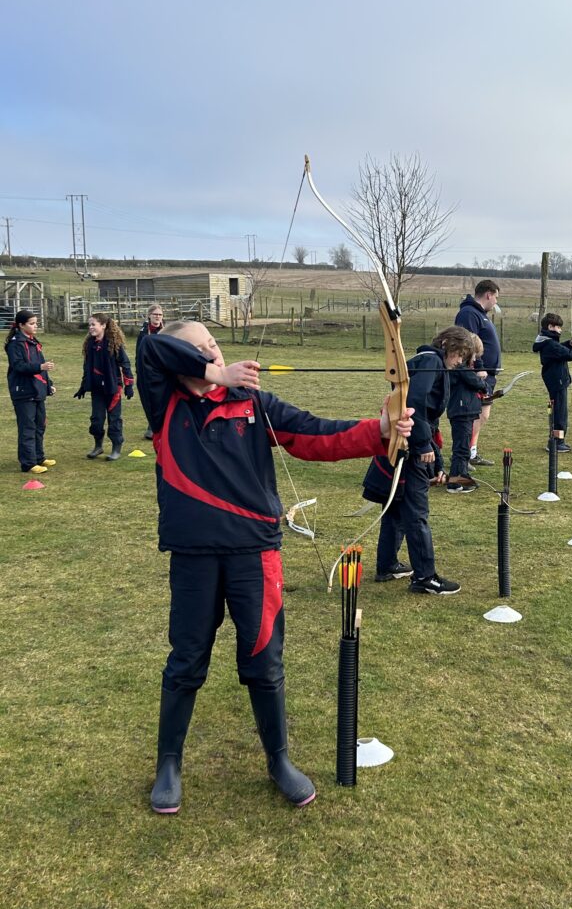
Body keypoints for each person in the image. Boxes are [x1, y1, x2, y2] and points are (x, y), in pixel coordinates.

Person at [137, 320, 414, 813]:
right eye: (201, 350)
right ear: (182, 362)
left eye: (215, 344)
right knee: (186, 662)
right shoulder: (164, 402)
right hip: (194, 554)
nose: (215, 354)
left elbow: (313, 435)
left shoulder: (254, 405)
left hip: (254, 553)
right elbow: (153, 348)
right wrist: (217, 376)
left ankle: (279, 760)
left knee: (264, 660)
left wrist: (381, 431)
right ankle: (169, 764)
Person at [364, 325, 476, 595]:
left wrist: (437, 462)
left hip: (409, 443)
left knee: (397, 506)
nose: (460, 361)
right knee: (416, 513)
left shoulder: (432, 362)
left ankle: (387, 564)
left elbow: (426, 414)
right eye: (460, 354)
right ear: (447, 344)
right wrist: (423, 443)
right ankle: (425, 577)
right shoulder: (431, 360)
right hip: (410, 445)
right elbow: (414, 403)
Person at [74, 313, 135, 461]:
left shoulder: (113, 344)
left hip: (112, 388)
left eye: (93, 324)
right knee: (96, 420)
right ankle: (98, 446)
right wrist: (83, 386)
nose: (90, 328)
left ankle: (116, 448)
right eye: (89, 325)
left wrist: (129, 385)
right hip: (96, 389)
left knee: (114, 420)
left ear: (103, 325)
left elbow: (125, 364)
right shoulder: (90, 345)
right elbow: (87, 367)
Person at [454, 279, 501, 467]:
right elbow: (469, 343)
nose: (496, 302)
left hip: (487, 375)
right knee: (475, 415)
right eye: (496, 297)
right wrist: (479, 367)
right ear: (488, 294)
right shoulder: (468, 314)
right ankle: (464, 455)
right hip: (478, 375)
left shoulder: (480, 314)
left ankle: (471, 452)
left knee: (483, 415)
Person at [532, 312, 572, 452]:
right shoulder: (549, 344)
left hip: (556, 379)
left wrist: (568, 343)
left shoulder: (547, 341)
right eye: (558, 327)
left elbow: (560, 350)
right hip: (557, 381)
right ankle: (557, 442)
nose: (560, 330)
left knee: (559, 410)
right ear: (550, 327)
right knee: (560, 412)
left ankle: (556, 440)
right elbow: (569, 355)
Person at [5, 309, 56, 474]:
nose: (35, 326)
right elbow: (18, 366)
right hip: (23, 391)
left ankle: (39, 457)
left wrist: (49, 385)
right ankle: (28, 463)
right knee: (27, 427)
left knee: (40, 425)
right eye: (32, 324)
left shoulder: (34, 342)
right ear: (21, 325)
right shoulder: (15, 344)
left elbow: (42, 366)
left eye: (36, 323)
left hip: (37, 390)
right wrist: (40, 367)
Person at [445, 334, 487, 493]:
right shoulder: (461, 369)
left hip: (466, 411)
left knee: (463, 447)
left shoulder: (464, 368)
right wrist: (482, 382)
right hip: (461, 411)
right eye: (475, 355)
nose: (476, 359)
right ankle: (455, 482)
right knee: (461, 448)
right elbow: (475, 382)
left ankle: (462, 475)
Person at [136, 304, 164, 440]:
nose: (157, 317)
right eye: (155, 314)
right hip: (147, 369)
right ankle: (152, 426)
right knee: (150, 399)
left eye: (160, 315)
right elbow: (139, 352)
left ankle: (156, 427)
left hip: (163, 370)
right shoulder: (143, 332)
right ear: (149, 316)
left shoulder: (166, 331)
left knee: (161, 398)